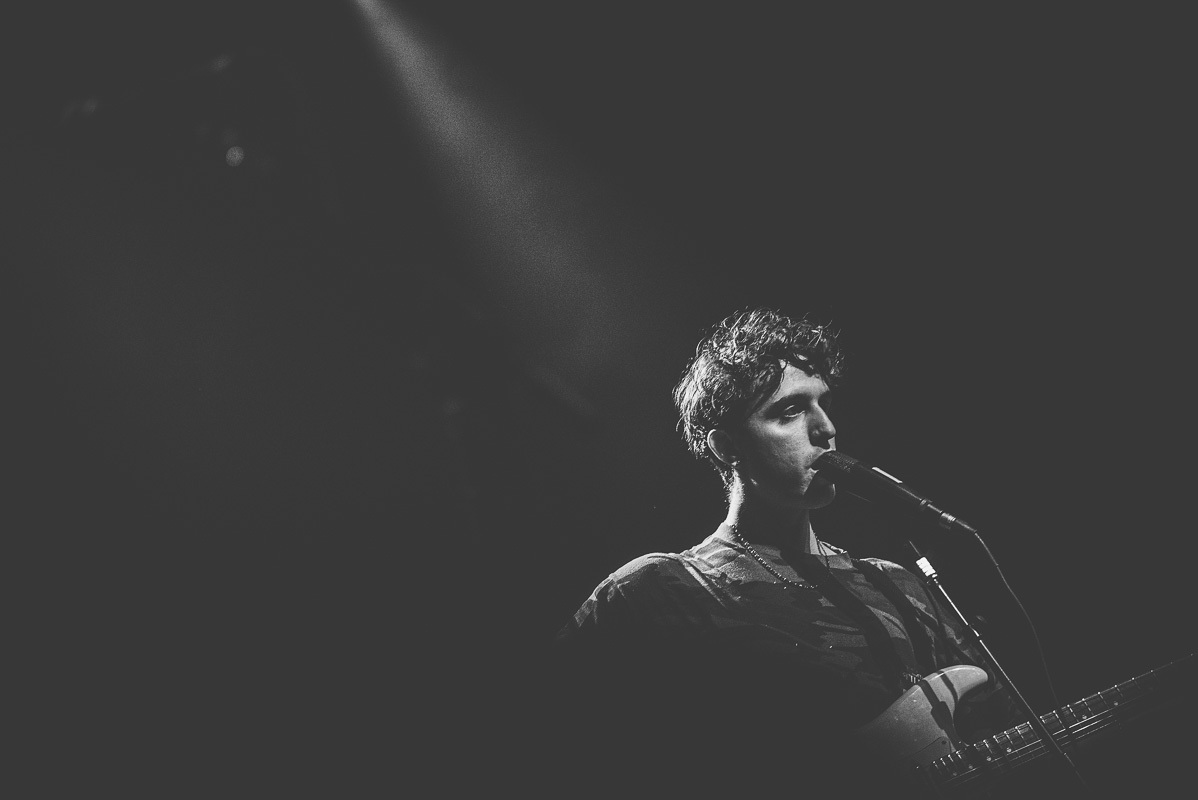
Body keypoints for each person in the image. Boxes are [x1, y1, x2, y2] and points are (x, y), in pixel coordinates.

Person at [548, 307, 1022, 798]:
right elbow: (542, 741)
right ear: (727, 447)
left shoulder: (897, 584)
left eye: (825, 404)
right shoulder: (657, 591)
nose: (825, 428)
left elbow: (1008, 733)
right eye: (790, 412)